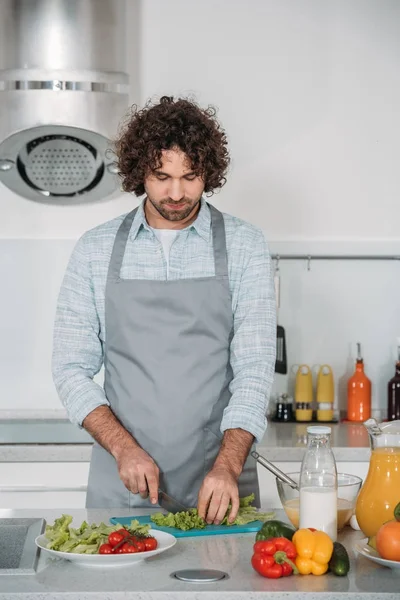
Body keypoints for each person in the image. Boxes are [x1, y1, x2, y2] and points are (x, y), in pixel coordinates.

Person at [52, 96, 276, 524]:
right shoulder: (95, 250)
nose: (176, 193)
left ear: (208, 173)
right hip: (124, 484)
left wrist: (228, 465)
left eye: (190, 177)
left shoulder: (245, 245)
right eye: (162, 177)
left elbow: (254, 367)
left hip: (221, 484)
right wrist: (123, 448)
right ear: (141, 173)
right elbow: (70, 368)